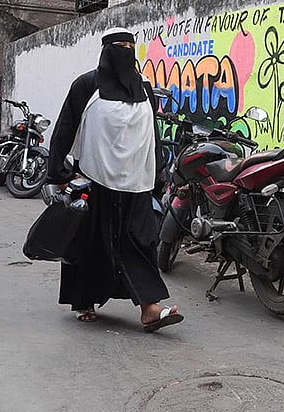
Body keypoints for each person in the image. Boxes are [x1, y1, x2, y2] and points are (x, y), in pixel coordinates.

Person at [47, 27, 183, 331]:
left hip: (136, 182)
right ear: (106, 50)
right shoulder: (87, 85)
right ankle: (85, 300)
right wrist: (58, 175)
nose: (126, 51)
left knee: (139, 242)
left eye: (130, 46)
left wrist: (159, 170)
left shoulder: (143, 88)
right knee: (90, 243)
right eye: (119, 46)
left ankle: (150, 308)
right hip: (94, 180)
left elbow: (151, 134)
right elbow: (65, 128)